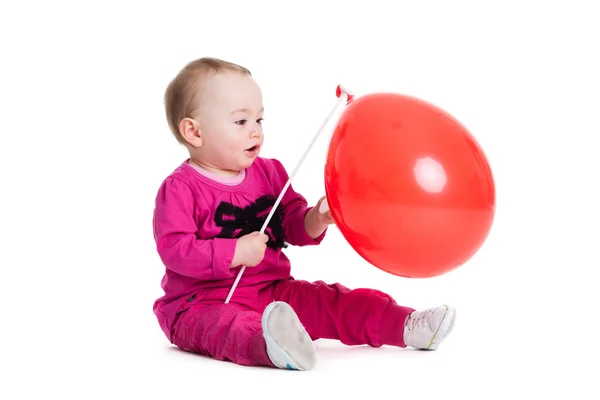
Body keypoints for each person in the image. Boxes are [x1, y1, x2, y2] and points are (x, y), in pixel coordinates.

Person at [152, 57, 456, 371]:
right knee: (227, 327)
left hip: (271, 291)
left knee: (328, 300)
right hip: (199, 304)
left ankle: (404, 324)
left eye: (259, 120)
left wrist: (317, 217)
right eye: (241, 122)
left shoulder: (269, 173)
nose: (256, 132)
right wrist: (235, 252)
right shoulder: (179, 188)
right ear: (194, 132)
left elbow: (291, 227)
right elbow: (175, 251)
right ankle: (272, 345)